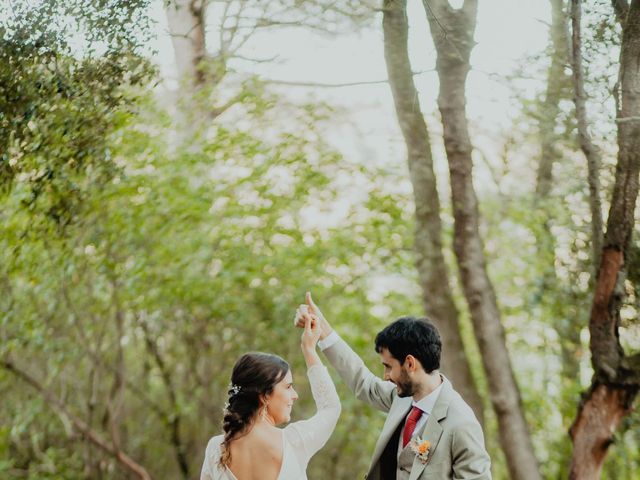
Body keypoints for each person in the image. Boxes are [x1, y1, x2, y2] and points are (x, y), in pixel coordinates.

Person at [295, 293, 491, 480]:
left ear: (410, 363)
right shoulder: (402, 398)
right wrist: (323, 331)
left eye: (389, 367)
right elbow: (362, 381)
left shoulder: (461, 424)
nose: (386, 376)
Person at [200, 312, 341, 480]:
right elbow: (331, 408)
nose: (294, 395)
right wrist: (309, 348)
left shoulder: (215, 450)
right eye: (288, 387)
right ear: (265, 395)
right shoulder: (294, 442)